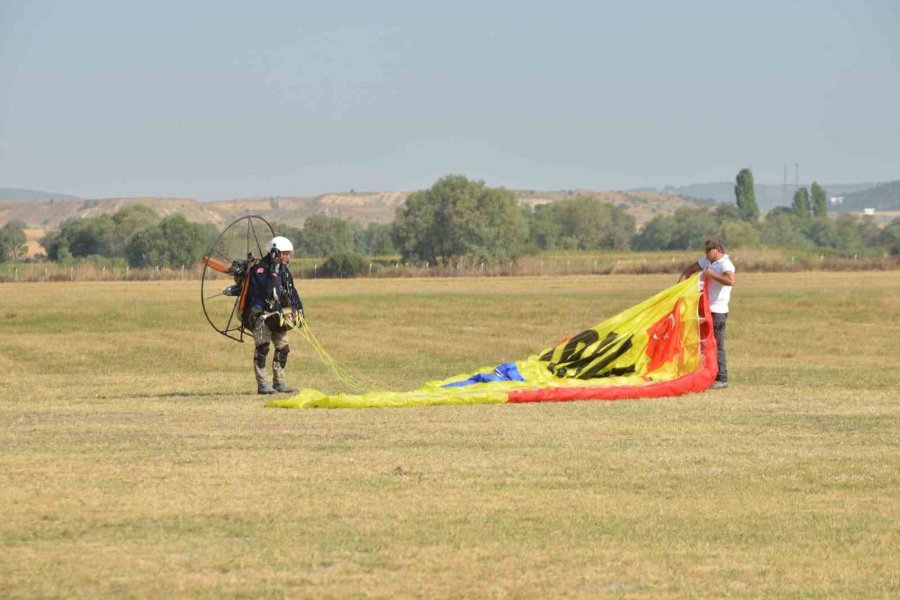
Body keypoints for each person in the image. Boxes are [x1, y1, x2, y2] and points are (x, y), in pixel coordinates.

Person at [244, 236, 304, 395]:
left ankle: (279, 383)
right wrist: (272, 273)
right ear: (274, 252)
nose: (288, 257)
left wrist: (299, 308)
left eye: (289, 253)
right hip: (261, 315)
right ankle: (263, 384)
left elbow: (291, 289)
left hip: (279, 315)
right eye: (285, 253)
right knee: (262, 349)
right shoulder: (260, 269)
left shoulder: (284, 269)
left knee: (283, 348)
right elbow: (262, 292)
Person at [678, 238, 735, 389]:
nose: (705, 254)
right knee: (703, 344)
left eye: (708, 250)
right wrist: (679, 289)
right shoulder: (706, 261)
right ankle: (706, 374)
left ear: (717, 249)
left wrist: (711, 275)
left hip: (718, 311)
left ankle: (722, 378)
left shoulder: (725, 264)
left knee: (717, 344)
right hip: (704, 309)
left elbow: (731, 281)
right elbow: (689, 270)